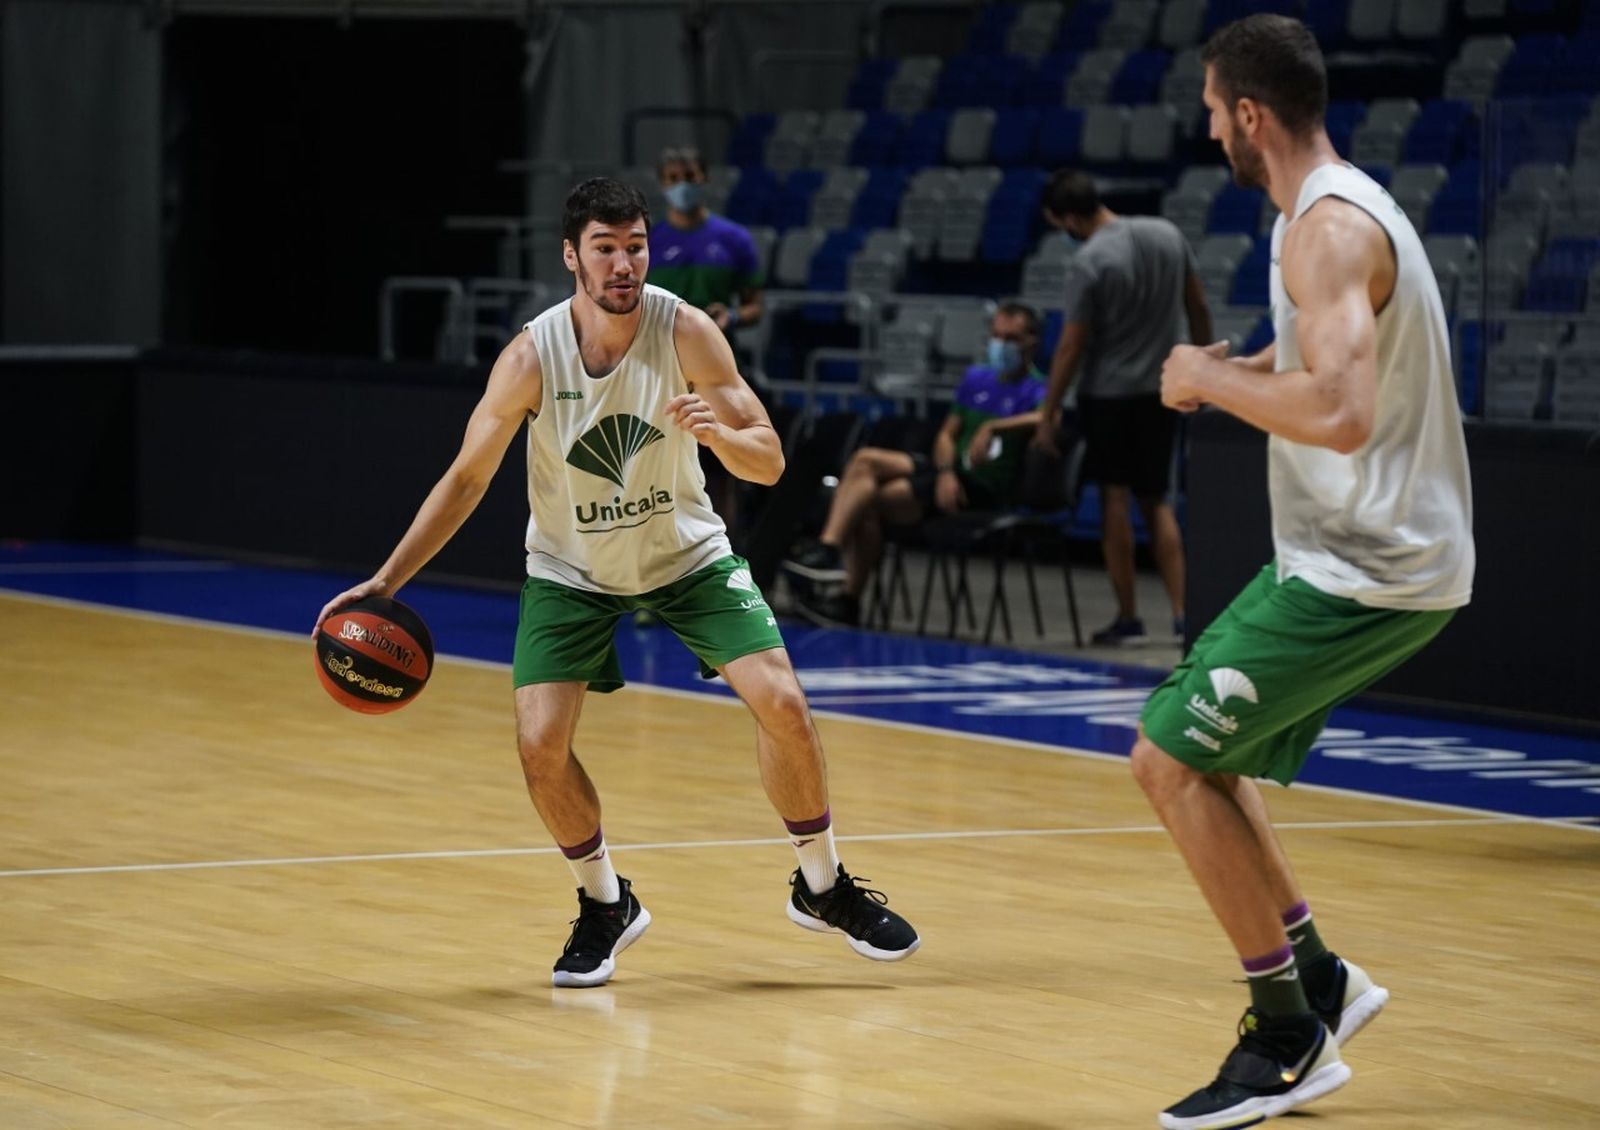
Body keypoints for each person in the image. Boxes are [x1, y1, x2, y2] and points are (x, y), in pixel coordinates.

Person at [314, 178, 918, 989]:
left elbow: (770, 460)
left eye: (635, 245)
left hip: (686, 555)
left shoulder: (687, 331)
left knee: (784, 702)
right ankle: (605, 903)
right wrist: (386, 582)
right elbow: (466, 479)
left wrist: (722, 438)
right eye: (606, 248)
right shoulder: (532, 356)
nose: (624, 262)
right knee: (539, 744)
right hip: (573, 569)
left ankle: (823, 885)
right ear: (572, 256)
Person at [1130, 16, 1474, 1129]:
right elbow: (1323, 350)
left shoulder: (1318, 230)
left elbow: (1341, 410)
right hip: (1349, 557)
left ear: (1250, 115)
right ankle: (1318, 976)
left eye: (1209, 106)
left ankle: (1285, 1034)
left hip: (1364, 568)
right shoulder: (1335, 208)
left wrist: (1200, 377)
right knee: (1205, 755)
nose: (1204, 124)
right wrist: (1239, 363)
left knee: (1166, 760)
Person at [781, 302, 1050, 627]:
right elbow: (946, 435)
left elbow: (1049, 417)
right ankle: (831, 558)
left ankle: (842, 586)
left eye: (1011, 338)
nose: (1001, 345)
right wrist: (947, 472)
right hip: (949, 474)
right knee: (865, 462)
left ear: (1031, 342)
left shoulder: (1038, 387)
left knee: (864, 504)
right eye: (996, 336)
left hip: (982, 488)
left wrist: (993, 427)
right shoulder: (977, 378)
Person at [1032, 170, 1212, 647]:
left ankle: (1129, 618)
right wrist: (1209, 370)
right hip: (1161, 390)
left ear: (1068, 218)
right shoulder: (1166, 234)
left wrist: (1049, 412)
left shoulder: (1090, 261)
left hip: (1108, 395)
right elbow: (1198, 306)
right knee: (1158, 500)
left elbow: (1071, 345)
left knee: (1115, 498)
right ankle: (1183, 616)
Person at [648, 146, 766, 544]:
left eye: (690, 176)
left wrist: (732, 316)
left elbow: (755, 307)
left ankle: (725, 564)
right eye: (674, 178)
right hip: (658, 370)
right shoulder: (649, 242)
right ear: (663, 184)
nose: (683, 185)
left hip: (716, 368)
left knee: (720, 469)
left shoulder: (734, 239)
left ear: (705, 178)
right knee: (658, 470)